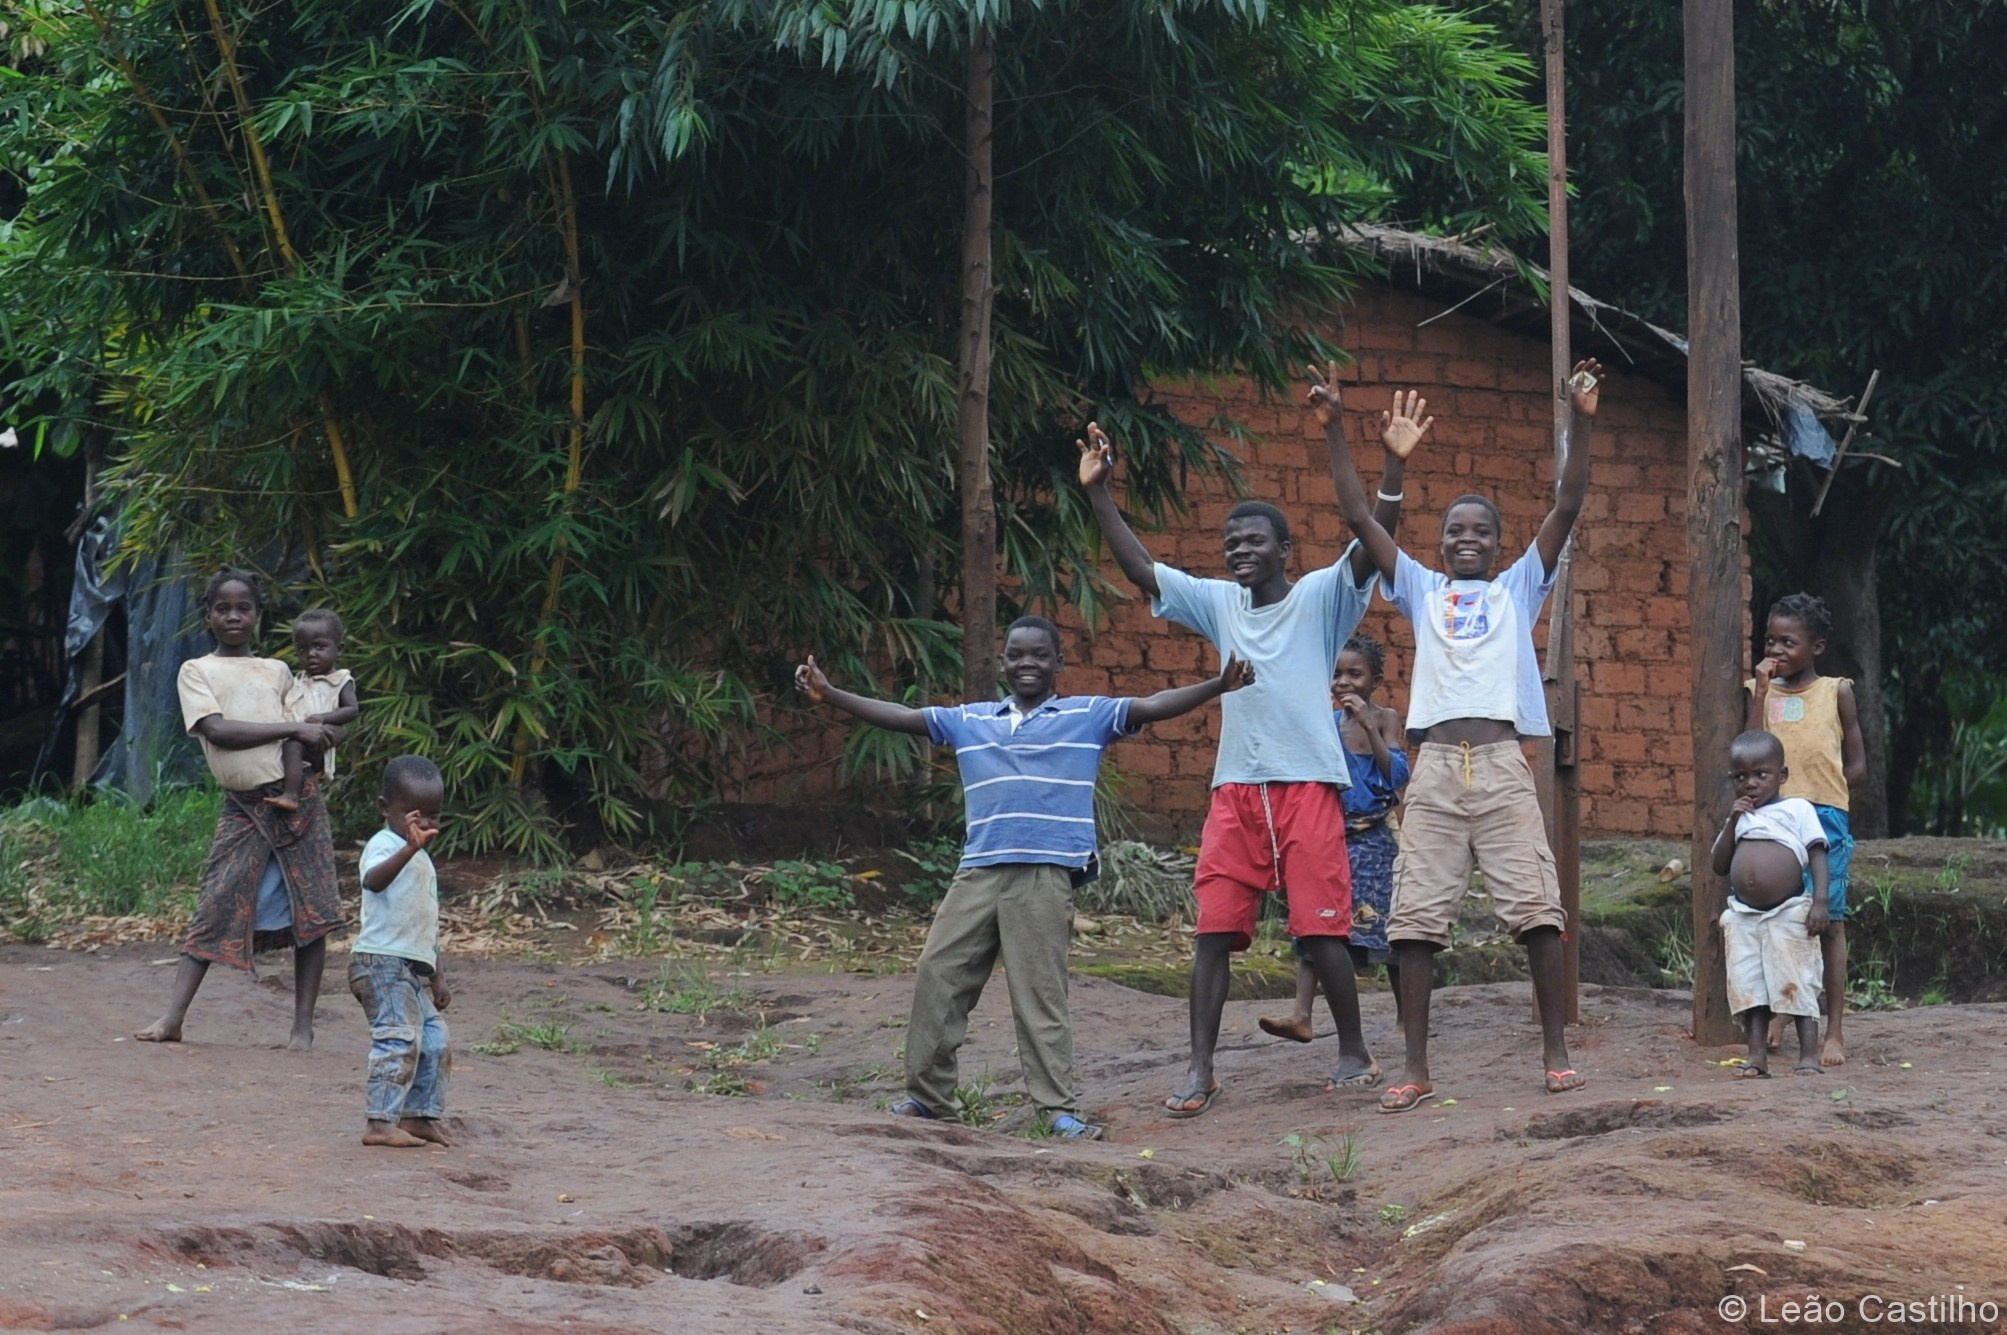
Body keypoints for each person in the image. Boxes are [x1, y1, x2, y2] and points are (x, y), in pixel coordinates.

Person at [1078, 396, 1420, 1117]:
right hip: (1236, 789)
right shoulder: (1216, 604)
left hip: (1306, 786)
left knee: (1322, 926)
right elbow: (1143, 569)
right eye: (1231, 541)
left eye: (1253, 541)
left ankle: (1353, 1049)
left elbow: (1372, 533)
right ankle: (1199, 1067)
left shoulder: (1323, 599)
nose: (1238, 550)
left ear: (1284, 550)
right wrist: (1099, 492)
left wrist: (1385, 461)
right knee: (1213, 929)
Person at [796, 617, 1254, 1140]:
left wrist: (1218, 686)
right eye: (1016, 655)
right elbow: (903, 717)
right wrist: (831, 695)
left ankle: (1056, 1109)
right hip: (979, 871)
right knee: (938, 974)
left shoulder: (1088, 715)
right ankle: (928, 1098)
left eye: (1040, 655)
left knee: (1039, 993)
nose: (1027, 664)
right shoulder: (972, 719)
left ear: (1059, 663)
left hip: (1043, 873)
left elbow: (1151, 704)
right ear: (1003, 663)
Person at [1321, 357, 1605, 1112]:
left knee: (1536, 911)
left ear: (1500, 543)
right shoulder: (1419, 587)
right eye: (1454, 530)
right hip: (1437, 766)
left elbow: (1568, 504)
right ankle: (1413, 1065)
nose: (1466, 538)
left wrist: (1581, 417)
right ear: (1440, 544)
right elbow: (1358, 518)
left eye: (1481, 529)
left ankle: (1553, 1050)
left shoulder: (1520, 585)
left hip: (1505, 763)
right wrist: (1355, 442)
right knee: (1414, 921)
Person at [135, 569, 348, 1049]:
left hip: (298, 800)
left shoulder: (277, 670)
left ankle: (302, 1029)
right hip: (244, 806)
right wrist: (291, 731)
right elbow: (219, 731)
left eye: (243, 608)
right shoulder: (197, 670)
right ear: (208, 616)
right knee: (215, 903)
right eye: (222, 608)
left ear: (258, 614)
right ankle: (172, 1018)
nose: (233, 616)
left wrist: (325, 732)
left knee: (311, 911)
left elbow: (315, 719)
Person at [1259, 633, 1411, 1050]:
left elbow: (1396, 775)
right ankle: (1301, 1014)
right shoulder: (1324, 722)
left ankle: (1404, 1018)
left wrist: (1367, 725)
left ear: (1375, 680)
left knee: (1388, 929)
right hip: (1328, 839)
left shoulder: (1384, 719)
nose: (1344, 682)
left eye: (1355, 674)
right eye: (1337, 674)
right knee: (1317, 925)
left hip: (1374, 842)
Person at [1746, 593, 1865, 1067]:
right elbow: (1749, 748)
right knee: (1778, 917)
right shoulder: (1764, 693)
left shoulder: (1836, 691)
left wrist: (1826, 796)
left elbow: (1856, 764)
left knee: (1829, 921)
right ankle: (1782, 1012)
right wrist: (1759, 691)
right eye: (1770, 640)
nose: (1776, 650)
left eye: (1788, 642)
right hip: (1775, 819)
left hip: (1824, 817)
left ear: (1816, 647)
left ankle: (1833, 1029)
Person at [1710, 731, 1830, 1078]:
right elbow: (1719, 865)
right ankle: (1756, 1056)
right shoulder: (1739, 818)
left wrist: (1820, 902)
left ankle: (1809, 1055)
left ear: (1782, 776)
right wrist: (1733, 820)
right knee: (1751, 987)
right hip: (1745, 915)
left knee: (1798, 981)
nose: (1750, 784)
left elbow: (1817, 855)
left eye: (1760, 775)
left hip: (1789, 911)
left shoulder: (1797, 809)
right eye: (1740, 777)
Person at [351, 755, 453, 1147]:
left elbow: (426, 924)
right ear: (385, 808)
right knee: (399, 1038)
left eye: (434, 815)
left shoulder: (422, 859)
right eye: (415, 814)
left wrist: (437, 976)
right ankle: (379, 1122)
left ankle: (419, 1115)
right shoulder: (385, 845)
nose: (425, 824)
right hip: (379, 963)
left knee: (436, 1040)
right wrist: (409, 849)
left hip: (411, 969)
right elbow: (373, 882)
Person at [267, 608, 359, 813]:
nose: (311, 654)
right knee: (288, 746)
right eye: (302, 649)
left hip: (319, 741)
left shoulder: (340, 680)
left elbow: (352, 710)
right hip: (299, 739)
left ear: (339, 648)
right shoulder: (298, 680)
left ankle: (291, 796)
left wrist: (323, 719)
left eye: (319, 646)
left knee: (292, 745)